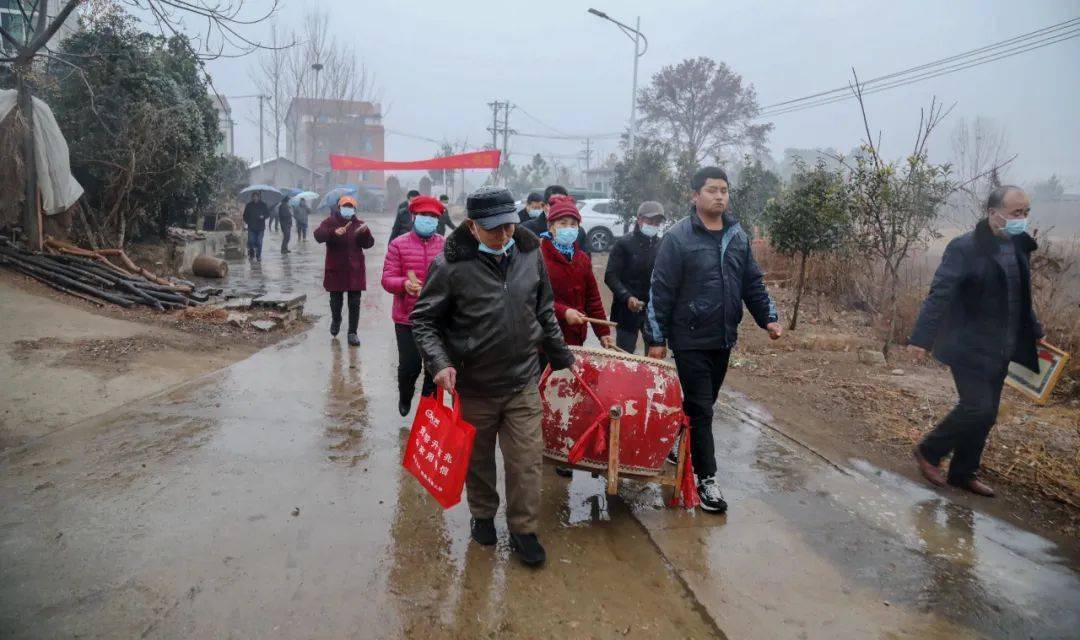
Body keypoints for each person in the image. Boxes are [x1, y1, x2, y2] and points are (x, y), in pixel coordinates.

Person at [411, 186, 574, 567]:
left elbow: (544, 311)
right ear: (471, 226)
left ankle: (523, 529)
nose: (504, 236)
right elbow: (423, 320)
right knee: (478, 460)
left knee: (526, 461)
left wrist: (563, 359)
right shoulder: (449, 267)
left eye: (509, 226)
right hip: (475, 385)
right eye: (493, 229)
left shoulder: (530, 255)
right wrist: (440, 363)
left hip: (521, 382)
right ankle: (482, 514)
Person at [645, 166, 783, 514]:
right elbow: (660, 291)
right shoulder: (678, 238)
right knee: (703, 409)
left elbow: (752, 281)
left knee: (701, 405)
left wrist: (768, 317)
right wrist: (656, 337)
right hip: (688, 337)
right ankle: (707, 479)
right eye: (711, 190)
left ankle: (679, 440)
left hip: (723, 337)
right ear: (695, 196)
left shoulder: (737, 236)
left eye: (724, 190)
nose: (719, 196)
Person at [908, 185, 1044, 498]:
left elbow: (1021, 296)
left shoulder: (1019, 245)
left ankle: (963, 472)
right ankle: (929, 451)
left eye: (1025, 213)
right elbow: (939, 294)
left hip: (1002, 345)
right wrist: (921, 339)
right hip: (967, 343)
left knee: (988, 413)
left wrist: (1035, 330)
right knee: (977, 407)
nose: (1021, 219)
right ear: (992, 213)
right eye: (1015, 213)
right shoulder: (965, 248)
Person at [382, 195, 447, 417]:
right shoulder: (398, 245)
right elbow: (387, 279)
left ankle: (427, 408)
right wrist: (404, 284)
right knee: (410, 366)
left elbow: (455, 277)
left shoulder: (445, 245)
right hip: (406, 317)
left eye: (433, 217)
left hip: (437, 318)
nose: (428, 220)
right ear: (413, 216)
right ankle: (405, 394)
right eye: (424, 216)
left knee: (434, 367)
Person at [605, 201, 666, 354]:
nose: (653, 224)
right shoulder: (624, 244)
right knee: (624, 357)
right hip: (626, 310)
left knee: (653, 359)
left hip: (652, 312)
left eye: (656, 222)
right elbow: (611, 276)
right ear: (639, 220)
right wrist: (627, 297)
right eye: (649, 221)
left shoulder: (663, 246)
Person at [314, 195, 375, 347]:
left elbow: (368, 244)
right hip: (336, 269)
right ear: (339, 207)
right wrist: (334, 232)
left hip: (355, 270)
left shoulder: (359, 224)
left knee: (354, 302)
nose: (348, 209)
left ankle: (352, 332)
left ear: (354, 209)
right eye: (345, 206)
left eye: (351, 206)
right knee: (336, 300)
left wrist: (365, 233)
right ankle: (336, 319)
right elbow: (318, 235)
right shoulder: (330, 222)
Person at [522, 185, 591, 255]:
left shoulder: (579, 232)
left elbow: (586, 258)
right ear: (545, 206)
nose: (560, 207)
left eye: (564, 203)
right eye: (554, 203)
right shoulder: (527, 229)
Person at [242, 192, 271, 262]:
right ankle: (251, 254)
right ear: (252, 197)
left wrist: (263, 216)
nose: (255, 198)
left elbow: (267, 214)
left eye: (256, 197)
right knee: (251, 242)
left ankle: (258, 256)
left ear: (259, 197)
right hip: (251, 227)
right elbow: (244, 215)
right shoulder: (249, 205)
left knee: (259, 242)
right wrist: (247, 221)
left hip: (260, 227)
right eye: (254, 197)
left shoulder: (263, 205)